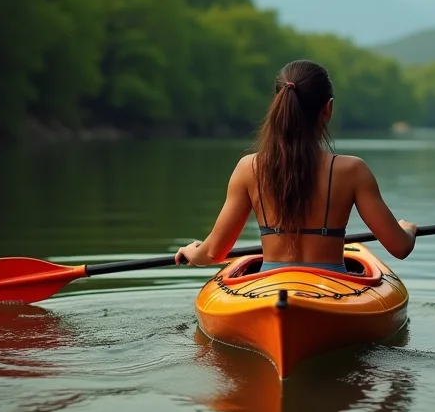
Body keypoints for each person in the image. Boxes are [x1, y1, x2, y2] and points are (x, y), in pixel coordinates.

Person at [174, 59, 418, 272]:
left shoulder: (249, 168)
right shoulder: (353, 171)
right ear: (328, 108)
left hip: (271, 285)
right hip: (332, 285)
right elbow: (399, 247)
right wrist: (407, 229)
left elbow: (212, 254)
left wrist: (192, 251)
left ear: (278, 104)